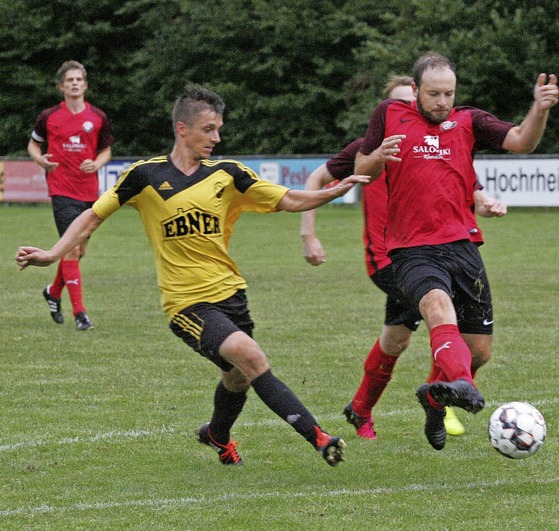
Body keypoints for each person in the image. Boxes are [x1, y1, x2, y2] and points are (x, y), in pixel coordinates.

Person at [17, 84, 370, 466]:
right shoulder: (144, 176)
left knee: (236, 377)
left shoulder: (228, 174)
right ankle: (319, 438)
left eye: (219, 129)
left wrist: (333, 192)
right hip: (186, 303)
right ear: (182, 129)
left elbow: (289, 199)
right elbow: (91, 216)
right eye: (208, 129)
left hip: (231, 294)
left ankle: (217, 434)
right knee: (251, 358)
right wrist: (54, 253)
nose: (217, 138)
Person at [354, 52, 559, 450]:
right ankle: (461, 386)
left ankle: (435, 396)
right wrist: (379, 156)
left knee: (479, 351)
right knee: (436, 308)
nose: (442, 101)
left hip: (463, 246)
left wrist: (540, 108)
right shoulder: (389, 114)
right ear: (415, 91)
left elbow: (521, 142)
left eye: (449, 93)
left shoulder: (468, 120)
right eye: (434, 94)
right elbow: (364, 165)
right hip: (411, 248)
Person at [301, 75, 505, 441]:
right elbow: (317, 179)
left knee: (397, 339)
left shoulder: (438, 143)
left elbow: (468, 189)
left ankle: (364, 408)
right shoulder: (366, 148)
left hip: (432, 249)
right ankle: (442, 394)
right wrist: (308, 233)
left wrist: (485, 204)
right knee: (441, 312)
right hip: (389, 258)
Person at [28, 60, 115, 331]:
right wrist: (40, 160)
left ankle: (54, 292)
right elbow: (33, 144)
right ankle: (80, 314)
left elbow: (106, 151)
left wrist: (97, 164)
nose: (75, 83)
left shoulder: (98, 117)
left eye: (79, 79)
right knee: (72, 249)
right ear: (61, 86)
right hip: (62, 189)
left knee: (80, 250)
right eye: (70, 80)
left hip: (89, 191)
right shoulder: (49, 116)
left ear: (85, 85)